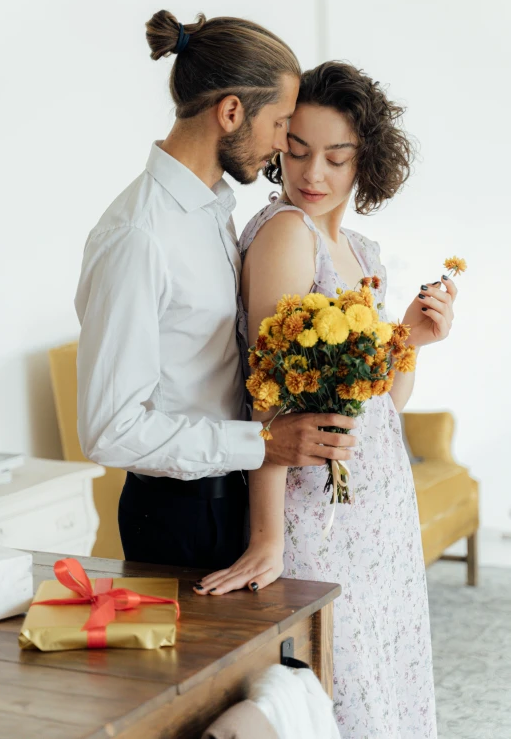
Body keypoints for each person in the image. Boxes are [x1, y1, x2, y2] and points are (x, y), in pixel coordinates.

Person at [195, 61, 457, 737]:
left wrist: (411, 340)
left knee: (382, 668)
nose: (312, 175)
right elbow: (268, 398)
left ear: (363, 160)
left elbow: (384, 400)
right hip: (318, 512)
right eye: (297, 151)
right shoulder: (286, 232)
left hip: (377, 500)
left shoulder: (361, 246)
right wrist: (267, 536)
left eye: (335, 158)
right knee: (344, 685)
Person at [75, 12, 358, 573]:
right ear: (231, 112)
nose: (282, 147)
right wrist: (261, 444)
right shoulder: (140, 235)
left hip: (234, 503)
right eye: (280, 125)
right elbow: (110, 431)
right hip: (179, 518)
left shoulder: (213, 211)